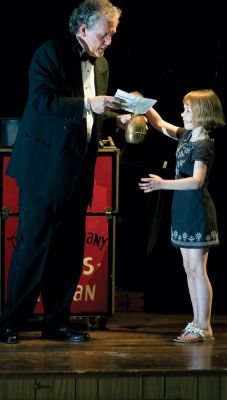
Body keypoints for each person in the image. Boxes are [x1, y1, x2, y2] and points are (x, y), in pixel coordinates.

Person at [0, 0, 130, 344]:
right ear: (83, 29)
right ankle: (11, 321)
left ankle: (57, 322)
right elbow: (42, 103)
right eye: (105, 34)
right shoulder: (50, 54)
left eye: (113, 35)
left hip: (77, 170)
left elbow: (93, 117)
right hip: (44, 169)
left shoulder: (101, 65)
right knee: (33, 247)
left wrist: (120, 116)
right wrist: (90, 104)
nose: (109, 42)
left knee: (69, 250)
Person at [139, 89, 225, 343]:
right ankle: (196, 322)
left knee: (198, 270)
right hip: (183, 210)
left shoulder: (204, 144)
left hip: (197, 210)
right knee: (190, 269)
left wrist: (162, 184)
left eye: (187, 109)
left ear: (202, 114)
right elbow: (159, 124)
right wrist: (141, 103)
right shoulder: (187, 136)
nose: (182, 113)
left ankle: (204, 326)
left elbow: (197, 181)